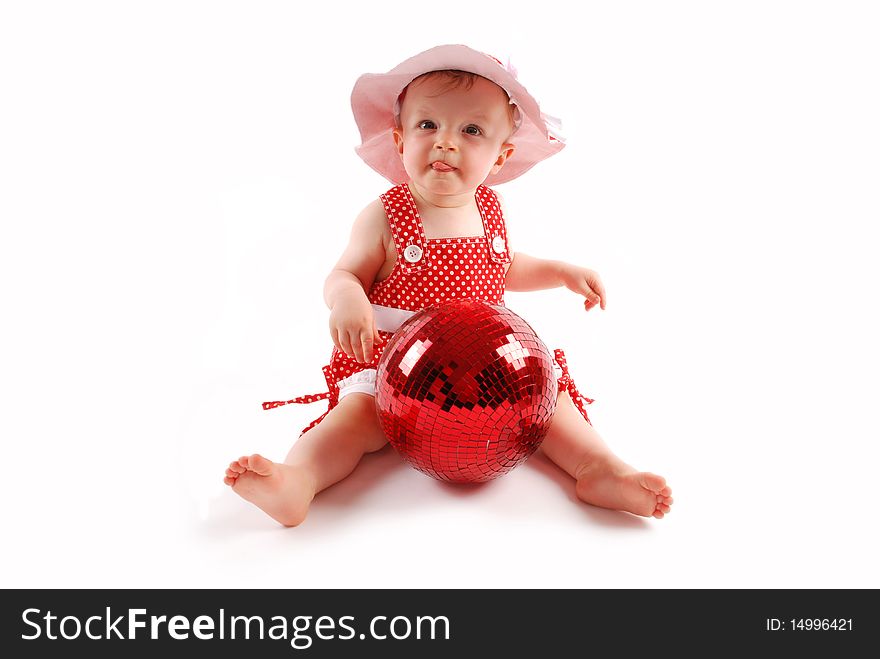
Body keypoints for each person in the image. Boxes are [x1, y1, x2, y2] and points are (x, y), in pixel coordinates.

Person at [223, 45, 673, 526]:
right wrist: (349, 299)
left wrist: (559, 272)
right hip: (398, 368)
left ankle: (598, 468)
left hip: (490, 374)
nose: (445, 143)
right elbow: (344, 273)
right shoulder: (386, 215)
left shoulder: (490, 209)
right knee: (352, 423)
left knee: (551, 405)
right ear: (399, 140)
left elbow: (504, 267)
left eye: (471, 131)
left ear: (500, 157)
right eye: (427, 126)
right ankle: (299, 479)